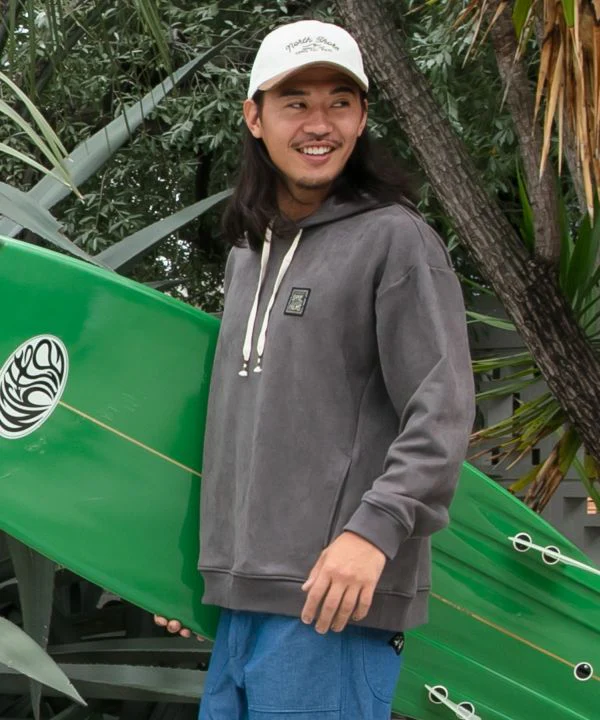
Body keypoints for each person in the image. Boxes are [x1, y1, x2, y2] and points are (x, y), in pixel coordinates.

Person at [155, 18, 476, 720]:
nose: (319, 123)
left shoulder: (396, 241)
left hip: (333, 604)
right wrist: (204, 574)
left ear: (361, 118)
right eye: (295, 102)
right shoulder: (247, 257)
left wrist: (372, 533)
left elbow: (443, 410)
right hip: (242, 602)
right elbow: (236, 429)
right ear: (255, 117)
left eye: (339, 102)